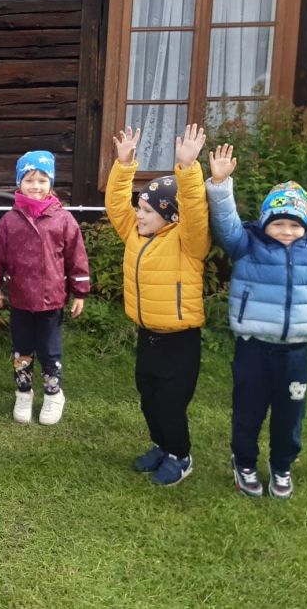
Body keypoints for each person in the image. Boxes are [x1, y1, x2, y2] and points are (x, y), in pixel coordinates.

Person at [207, 140, 307, 499]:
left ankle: (282, 467)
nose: (287, 231)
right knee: (248, 411)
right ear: (265, 222)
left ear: (305, 226)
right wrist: (219, 184)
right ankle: (244, 463)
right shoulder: (247, 246)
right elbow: (226, 223)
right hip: (253, 349)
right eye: (278, 223)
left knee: (290, 415)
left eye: (294, 225)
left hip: (297, 352)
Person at [105, 124, 209, 487]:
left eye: (148, 210)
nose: (139, 214)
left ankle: (180, 456)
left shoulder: (188, 242)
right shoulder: (134, 233)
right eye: (139, 207)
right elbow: (116, 204)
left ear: (171, 216)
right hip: (147, 335)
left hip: (180, 341)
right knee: (148, 397)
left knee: (170, 402)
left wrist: (188, 169)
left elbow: (195, 211)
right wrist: (124, 165)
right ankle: (161, 445)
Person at [0, 150, 90, 426]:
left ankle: (53, 394)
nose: (36, 186)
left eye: (42, 180)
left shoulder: (63, 220)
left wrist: (80, 293)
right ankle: (23, 392)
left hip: (52, 301)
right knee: (22, 350)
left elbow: (76, 258)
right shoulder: (9, 222)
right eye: (29, 180)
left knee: (50, 351)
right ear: (19, 182)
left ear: (50, 183)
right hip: (20, 301)